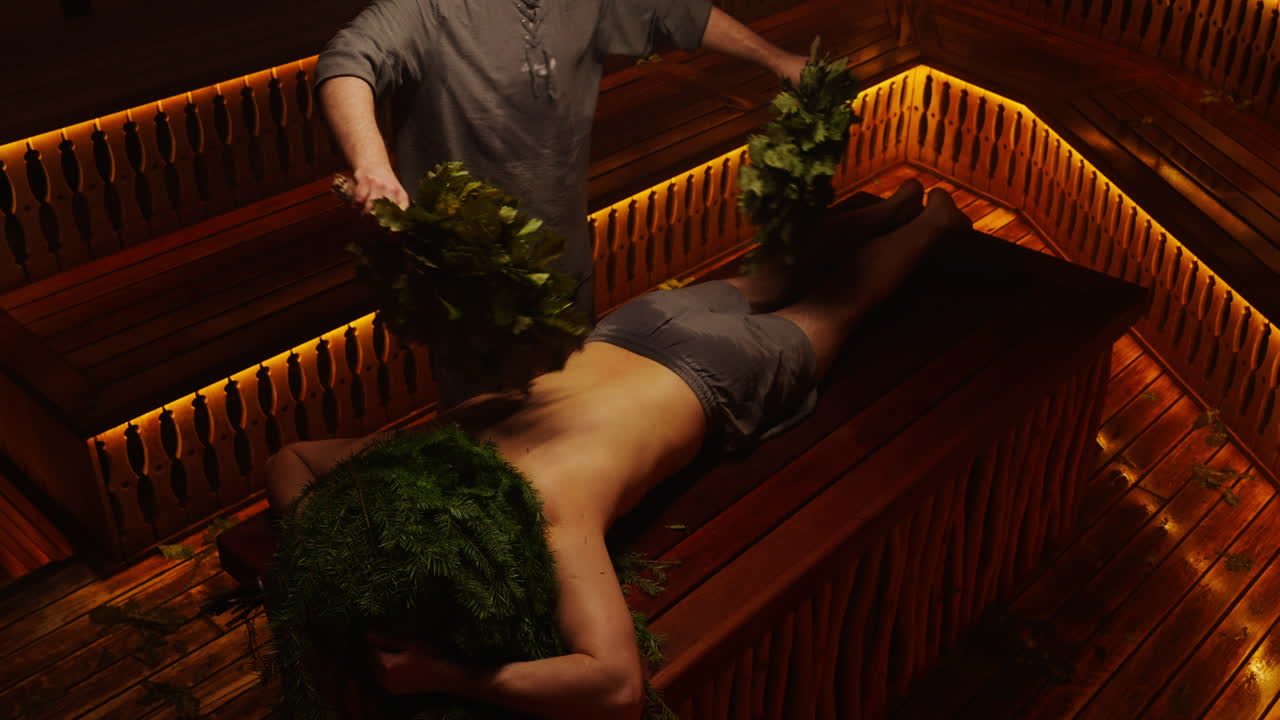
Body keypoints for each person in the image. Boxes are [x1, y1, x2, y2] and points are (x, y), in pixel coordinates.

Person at [264, 179, 973, 720]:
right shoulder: (444, 439)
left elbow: (618, 688)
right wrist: (331, 560)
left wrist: (447, 676)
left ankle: (936, 219)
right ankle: (890, 209)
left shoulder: (548, 513)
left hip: (719, 375)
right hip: (636, 326)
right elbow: (292, 459)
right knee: (768, 277)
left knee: (841, 309)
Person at [314, 0, 809, 405]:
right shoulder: (430, 9)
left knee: (572, 409)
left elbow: (676, 14)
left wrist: (777, 59)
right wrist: (371, 163)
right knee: (495, 443)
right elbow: (348, 60)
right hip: (470, 287)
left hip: (564, 261)